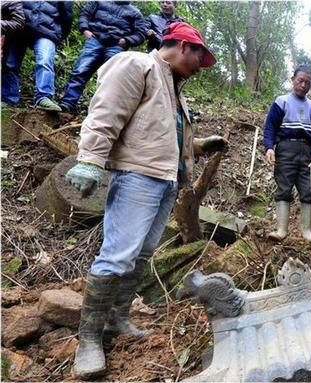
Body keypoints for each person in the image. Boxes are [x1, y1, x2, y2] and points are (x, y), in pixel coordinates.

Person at [65, 21, 227, 379]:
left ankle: (118, 319)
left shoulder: (173, 88)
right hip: (137, 176)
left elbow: (159, 135)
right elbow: (105, 113)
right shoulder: (136, 65)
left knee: (140, 254)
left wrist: (197, 147)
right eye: (200, 58)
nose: (200, 67)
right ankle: (88, 340)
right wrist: (90, 159)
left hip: (164, 181)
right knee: (118, 254)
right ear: (185, 46)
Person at [263, 65, 311, 243]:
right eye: (300, 81)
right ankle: (281, 230)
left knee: (308, 190)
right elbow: (269, 127)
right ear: (293, 80)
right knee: (283, 187)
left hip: (306, 152)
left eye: (307, 82)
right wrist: (269, 147)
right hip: (285, 150)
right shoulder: (281, 102)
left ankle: (307, 232)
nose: (303, 85)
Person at [58, 0, 147, 114]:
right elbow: (85, 14)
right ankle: (67, 103)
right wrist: (85, 29)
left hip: (116, 46)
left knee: (110, 79)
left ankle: (99, 112)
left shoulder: (135, 13)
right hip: (95, 39)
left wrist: (126, 40)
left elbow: (140, 34)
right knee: (81, 70)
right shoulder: (99, 1)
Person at [0, 0, 72, 111]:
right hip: (19, 28)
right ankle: (9, 98)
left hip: (47, 29)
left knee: (45, 60)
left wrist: (59, 34)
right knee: (10, 63)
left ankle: (43, 97)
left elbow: (66, 15)